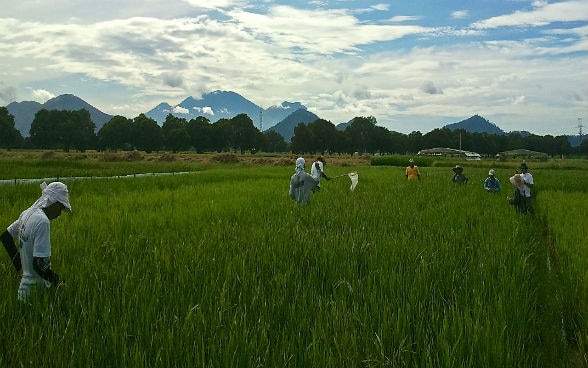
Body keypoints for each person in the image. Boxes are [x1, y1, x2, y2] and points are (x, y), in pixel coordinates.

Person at [1, 181, 71, 301]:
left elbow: (5, 237)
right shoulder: (43, 222)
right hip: (36, 293)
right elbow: (39, 264)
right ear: (53, 202)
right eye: (60, 208)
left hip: (23, 293)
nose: (60, 213)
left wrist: (19, 267)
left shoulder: (27, 213)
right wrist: (57, 281)